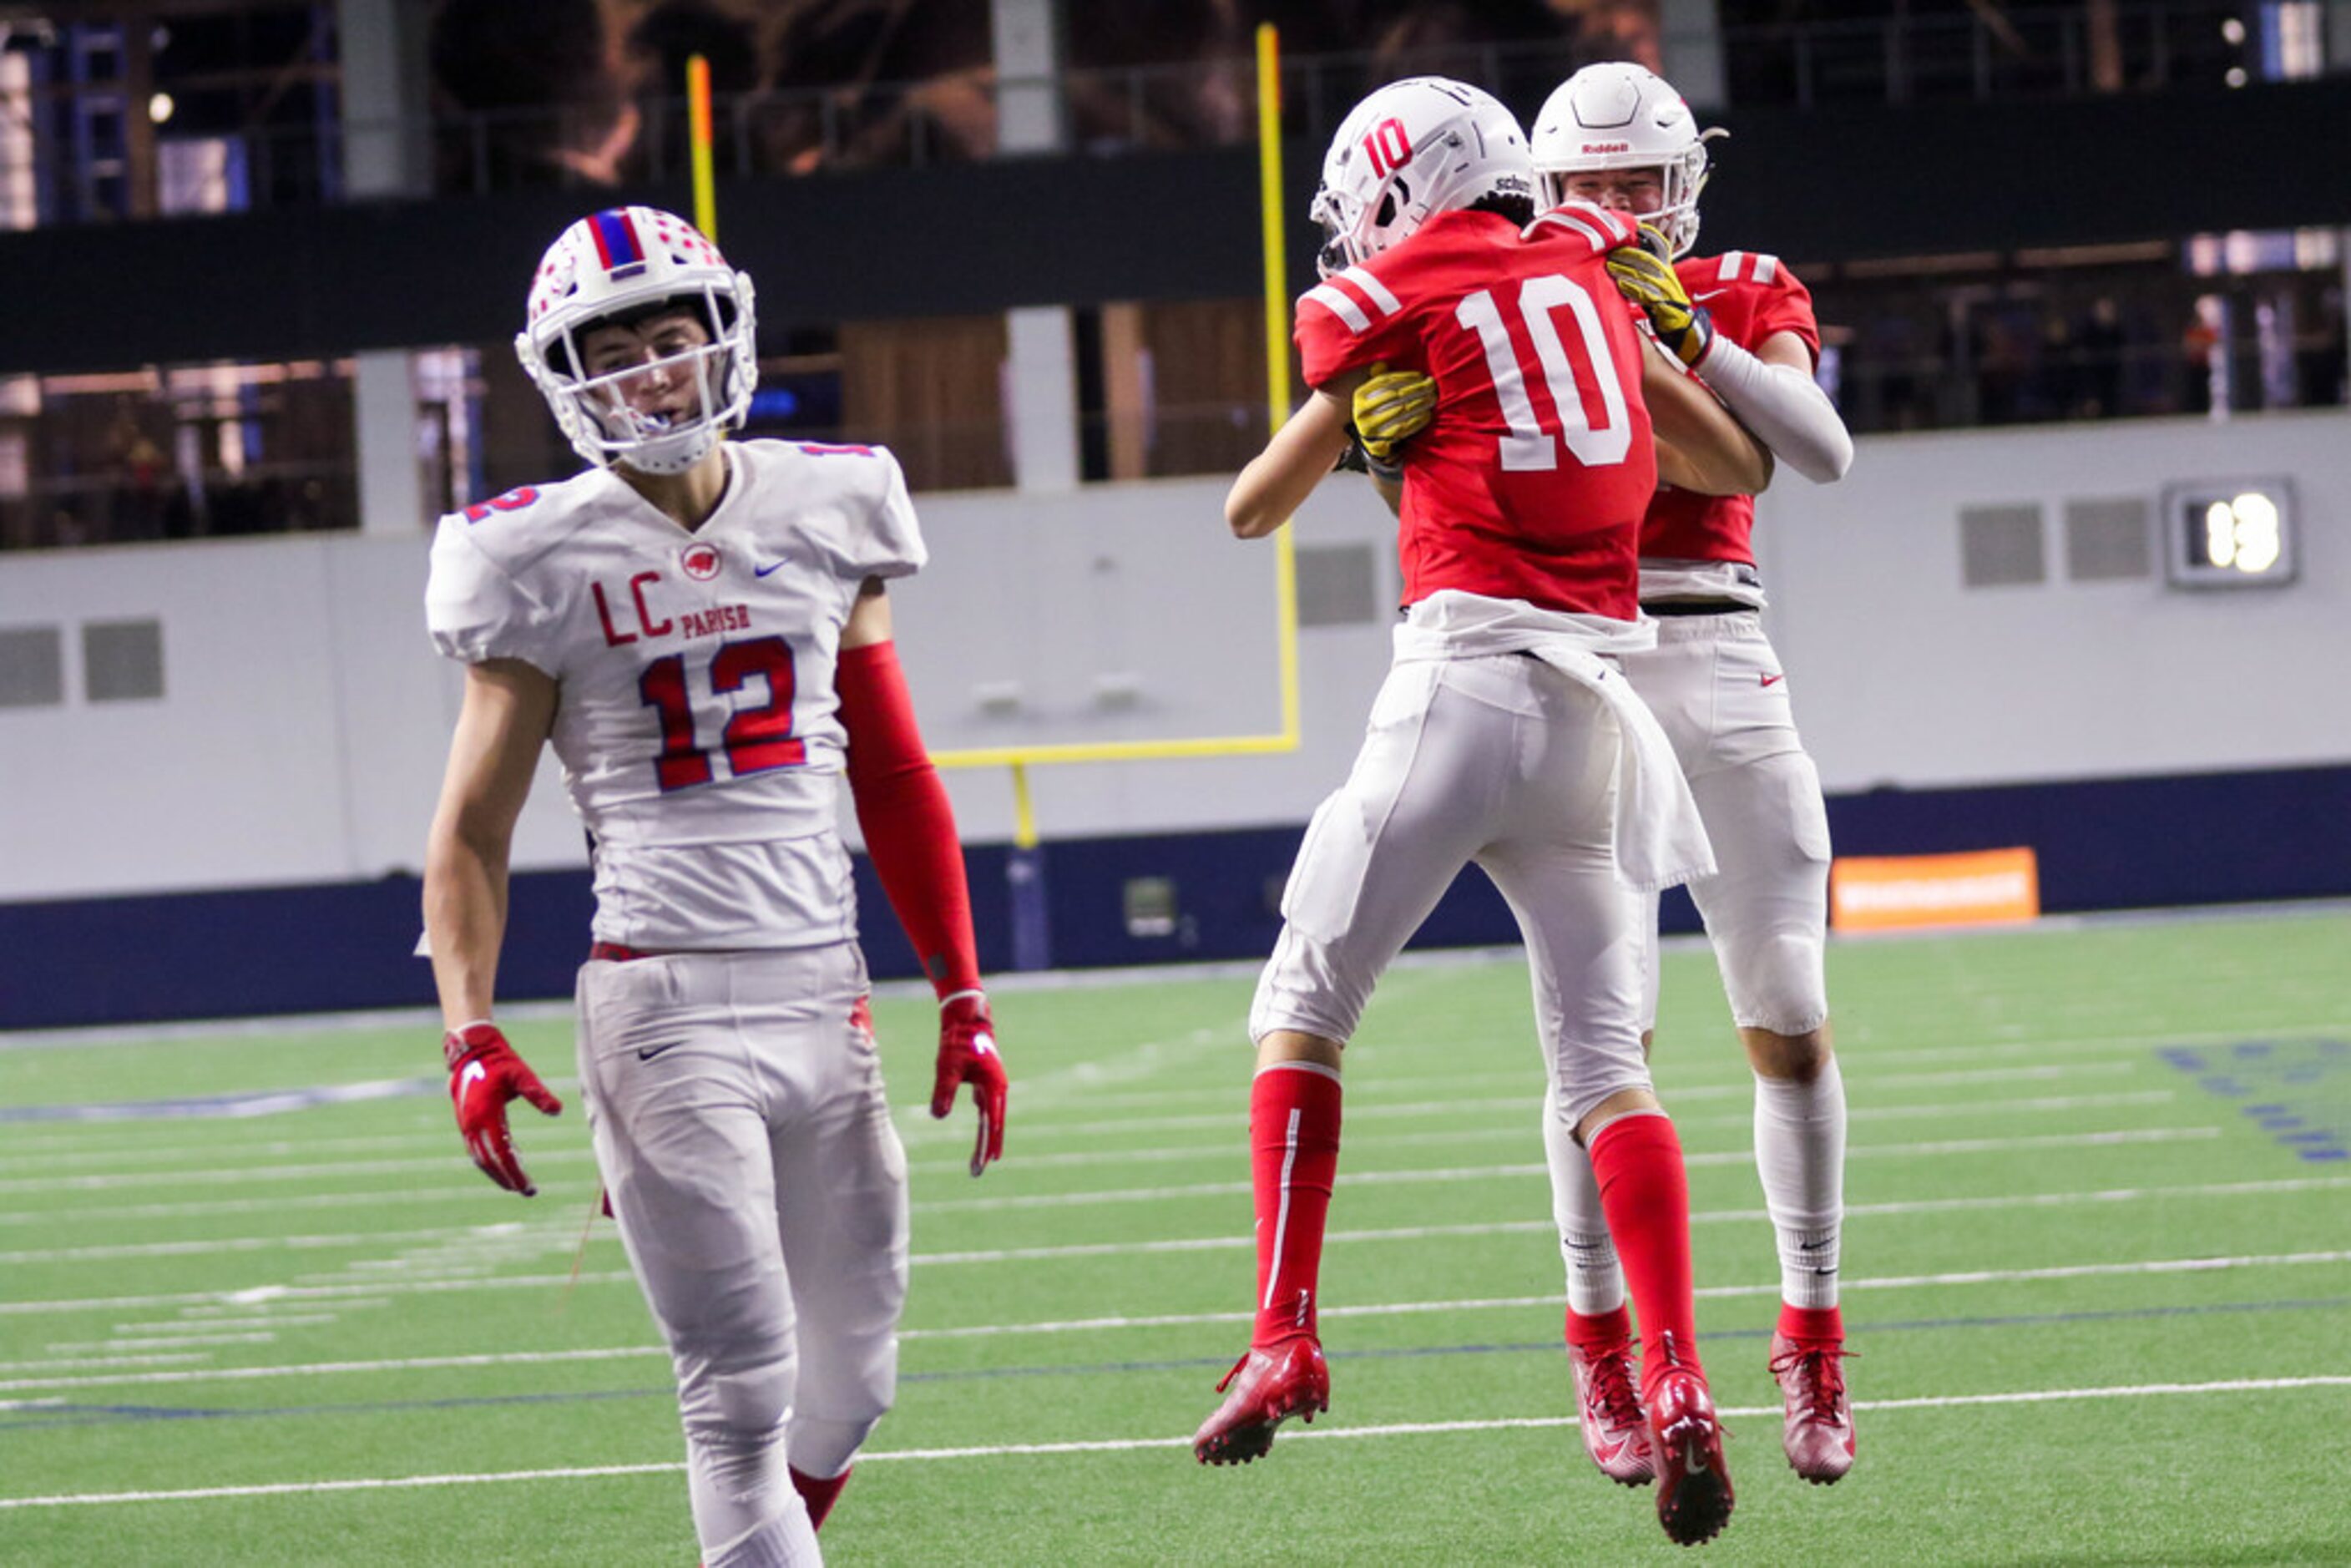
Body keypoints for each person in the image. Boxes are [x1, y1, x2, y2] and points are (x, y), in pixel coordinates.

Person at [1189, 78, 1772, 1549]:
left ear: (1401, 182)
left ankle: (1283, 1329)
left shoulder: (1393, 290)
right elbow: (1734, 464)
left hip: (1461, 683)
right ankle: (1680, 1372)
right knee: (1605, 1071)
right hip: (1598, 712)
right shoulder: (1588, 263)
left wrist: (1368, 431)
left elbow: (1249, 509)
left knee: (1301, 1007)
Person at [421, 205, 1009, 1568]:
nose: (646, 376)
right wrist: (468, 1025)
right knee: (739, 1386)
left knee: (851, 1381)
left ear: (720, 340)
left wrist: (963, 990)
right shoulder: (530, 552)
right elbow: (472, 827)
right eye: (609, 353)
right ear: (565, 379)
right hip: (663, 1000)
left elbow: (899, 772)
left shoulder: (829, 498)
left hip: (825, 981)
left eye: (667, 341)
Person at [1528, 61, 1858, 1486]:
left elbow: (1820, 454)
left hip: (1722, 655)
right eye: (1587, 187)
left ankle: (1812, 1332)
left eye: (1636, 185)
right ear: (1544, 192)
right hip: (1576, 656)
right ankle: (1601, 1347)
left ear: (1685, 185)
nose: (1612, 209)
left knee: (1786, 1013)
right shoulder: (1510, 291)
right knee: (1602, 1048)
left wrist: (1686, 336)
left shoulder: (1737, 282)